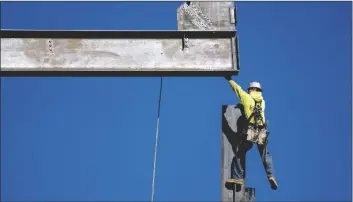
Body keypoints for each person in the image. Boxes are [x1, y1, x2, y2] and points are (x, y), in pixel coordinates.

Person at [224, 75, 278, 190]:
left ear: (252, 89)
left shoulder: (246, 97)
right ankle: (271, 176)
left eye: (249, 89)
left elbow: (237, 89)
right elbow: (251, 108)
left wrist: (229, 79)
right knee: (265, 154)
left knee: (240, 152)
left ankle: (237, 178)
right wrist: (241, 106)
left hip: (250, 131)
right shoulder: (262, 102)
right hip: (262, 132)